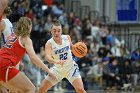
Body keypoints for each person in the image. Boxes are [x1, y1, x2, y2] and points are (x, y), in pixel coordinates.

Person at [0, 17, 56, 93]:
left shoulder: (12, 36)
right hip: (5, 66)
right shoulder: (26, 39)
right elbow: (33, 58)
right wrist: (49, 71)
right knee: (31, 89)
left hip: (2, 63)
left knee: (15, 91)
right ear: (29, 27)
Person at [39, 20, 86, 93]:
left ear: (61, 31)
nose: (56, 33)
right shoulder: (49, 43)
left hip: (71, 68)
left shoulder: (67, 37)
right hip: (57, 70)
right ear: (51, 31)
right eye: (54, 31)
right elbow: (47, 57)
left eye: (59, 31)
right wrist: (56, 61)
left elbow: (73, 48)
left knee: (80, 90)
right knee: (42, 89)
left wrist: (80, 49)